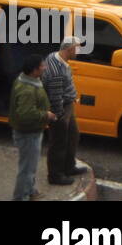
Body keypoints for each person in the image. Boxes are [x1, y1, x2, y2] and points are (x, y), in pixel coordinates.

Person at [9, 54, 54, 201]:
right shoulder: (27, 90)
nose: (45, 67)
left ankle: (30, 190)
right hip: (28, 134)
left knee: (31, 165)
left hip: (32, 132)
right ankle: (21, 196)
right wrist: (45, 115)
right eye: (42, 66)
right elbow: (25, 114)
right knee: (27, 168)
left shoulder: (29, 80)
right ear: (35, 70)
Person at [42, 37, 82, 186]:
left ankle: (69, 166)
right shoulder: (56, 71)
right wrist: (59, 118)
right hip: (60, 108)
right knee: (59, 141)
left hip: (67, 104)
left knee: (73, 135)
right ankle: (55, 175)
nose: (78, 52)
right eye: (77, 48)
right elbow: (55, 97)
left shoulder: (55, 56)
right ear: (69, 49)